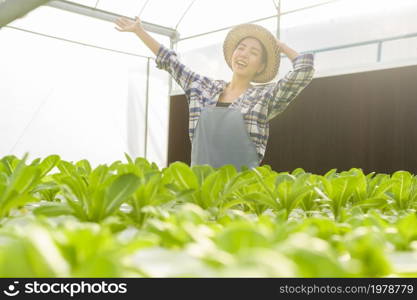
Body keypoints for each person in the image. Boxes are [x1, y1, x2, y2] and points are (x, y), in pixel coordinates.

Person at [115, 16, 314, 171]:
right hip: (201, 188)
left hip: (240, 193)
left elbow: (303, 71)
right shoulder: (203, 88)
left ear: (261, 66)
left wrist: (279, 47)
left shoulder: (264, 96)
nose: (244, 54)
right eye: (241, 48)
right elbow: (170, 61)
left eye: (254, 53)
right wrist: (139, 31)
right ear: (233, 54)